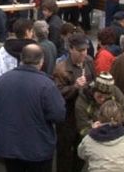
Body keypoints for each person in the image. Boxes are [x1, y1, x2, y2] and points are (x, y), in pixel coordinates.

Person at [0, 44, 66, 172]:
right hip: (38, 147)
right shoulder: (46, 84)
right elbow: (58, 114)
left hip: (9, 145)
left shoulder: (2, 81)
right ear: (41, 62)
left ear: (21, 59)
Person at [53, 33, 96, 172]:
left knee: (81, 152)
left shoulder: (89, 61)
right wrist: (74, 88)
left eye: (85, 49)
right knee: (65, 153)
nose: (84, 53)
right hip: (67, 118)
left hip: (84, 116)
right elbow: (56, 94)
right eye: (80, 50)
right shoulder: (61, 69)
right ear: (70, 49)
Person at [77, 100, 124, 172]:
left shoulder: (89, 139)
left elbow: (81, 154)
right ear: (122, 118)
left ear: (100, 118)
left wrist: (92, 131)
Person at [75, 72, 124, 137]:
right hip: (95, 137)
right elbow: (82, 130)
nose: (102, 99)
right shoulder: (82, 103)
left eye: (106, 97)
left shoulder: (115, 92)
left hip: (117, 132)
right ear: (93, 91)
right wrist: (92, 129)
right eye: (99, 96)